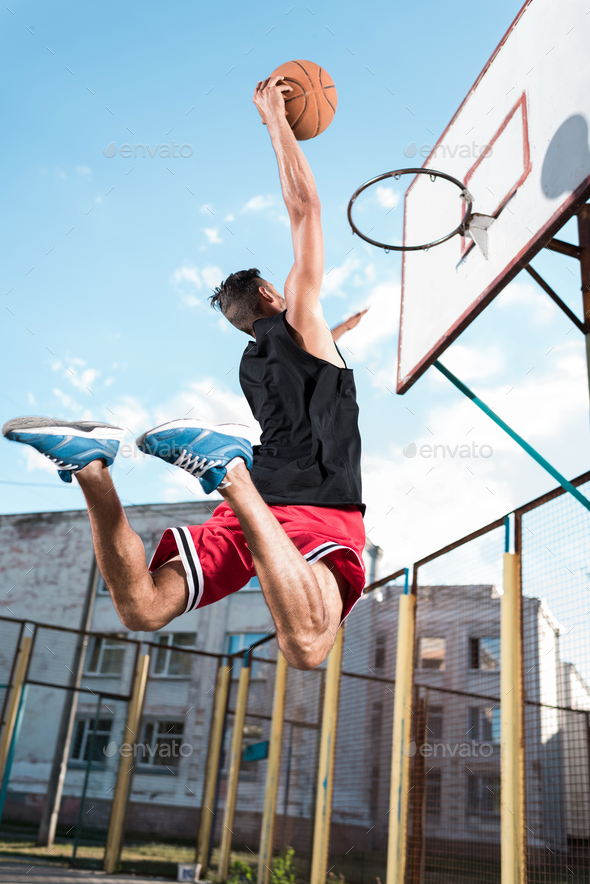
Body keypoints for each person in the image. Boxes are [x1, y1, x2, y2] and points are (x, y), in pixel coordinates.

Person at [2, 76, 368, 671]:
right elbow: (306, 209)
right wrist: (276, 119)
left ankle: (92, 466)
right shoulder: (301, 311)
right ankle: (228, 473)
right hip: (316, 503)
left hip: (263, 506)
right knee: (306, 647)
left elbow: (312, 368)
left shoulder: (256, 363)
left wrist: (341, 333)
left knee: (143, 609)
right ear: (273, 292)